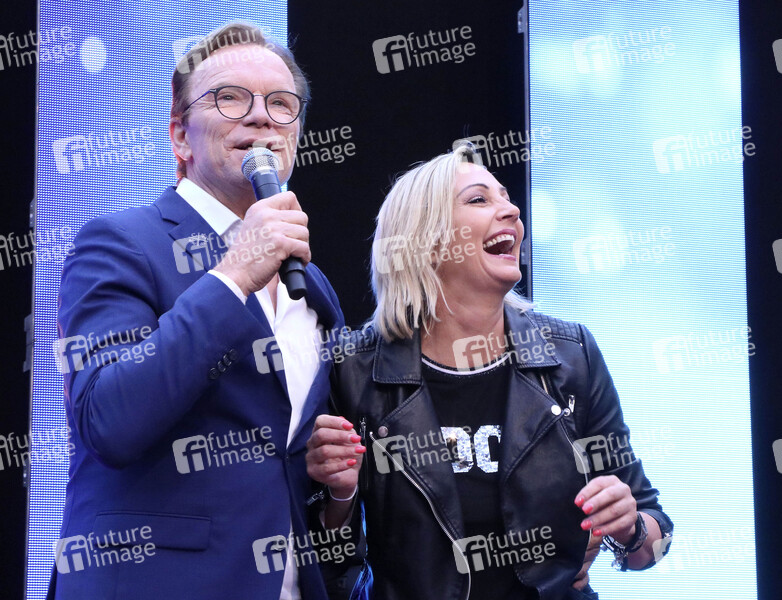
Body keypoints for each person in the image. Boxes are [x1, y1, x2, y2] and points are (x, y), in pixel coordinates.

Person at [50, 22, 352, 600]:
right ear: (180, 137)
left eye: (281, 103)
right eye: (230, 98)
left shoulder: (312, 284)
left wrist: (336, 490)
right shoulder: (118, 242)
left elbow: (288, 462)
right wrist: (234, 274)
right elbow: (107, 419)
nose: (261, 116)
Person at [307, 144, 674, 599]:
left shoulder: (571, 354)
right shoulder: (354, 368)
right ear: (424, 240)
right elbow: (323, 569)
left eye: (507, 198)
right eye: (479, 199)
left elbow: (655, 539)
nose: (512, 211)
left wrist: (630, 527)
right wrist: (340, 497)